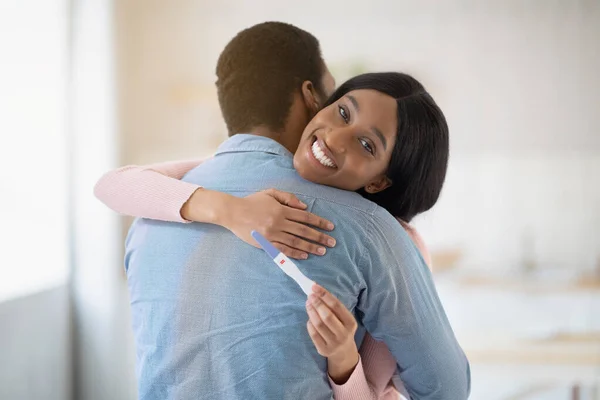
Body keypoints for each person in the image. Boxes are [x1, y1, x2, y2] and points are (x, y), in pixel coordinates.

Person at [106, 22, 470, 400]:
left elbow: (114, 184)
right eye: (341, 109)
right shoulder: (375, 233)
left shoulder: (152, 214)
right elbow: (446, 390)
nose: (333, 136)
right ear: (313, 97)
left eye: (365, 143)